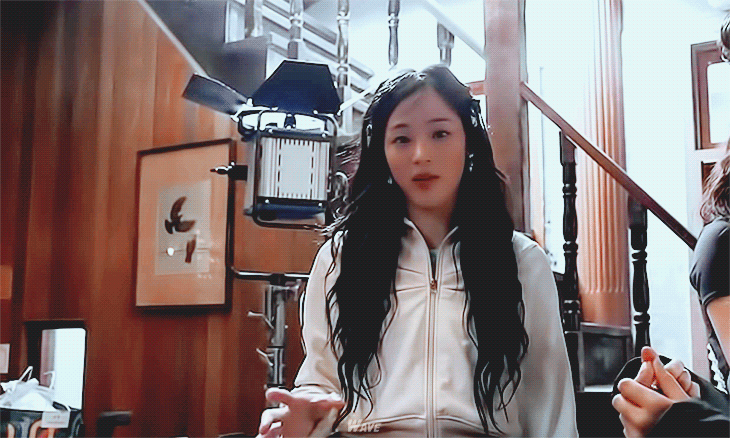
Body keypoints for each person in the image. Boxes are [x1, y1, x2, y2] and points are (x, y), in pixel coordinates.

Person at [256, 65, 577, 437]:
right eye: (402, 139)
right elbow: (321, 380)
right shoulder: (340, 258)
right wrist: (305, 416)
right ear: (383, 151)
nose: (421, 155)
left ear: (468, 142)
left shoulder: (521, 261)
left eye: (440, 134)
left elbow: (550, 403)